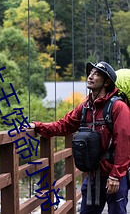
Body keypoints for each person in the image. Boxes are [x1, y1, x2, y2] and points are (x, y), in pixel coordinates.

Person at [23, 61, 130, 214]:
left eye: (96, 74)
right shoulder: (85, 107)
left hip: (113, 176)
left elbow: (124, 144)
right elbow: (63, 125)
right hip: (93, 175)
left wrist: (116, 176)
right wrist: (37, 126)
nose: (90, 76)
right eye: (90, 73)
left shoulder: (119, 108)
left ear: (107, 82)